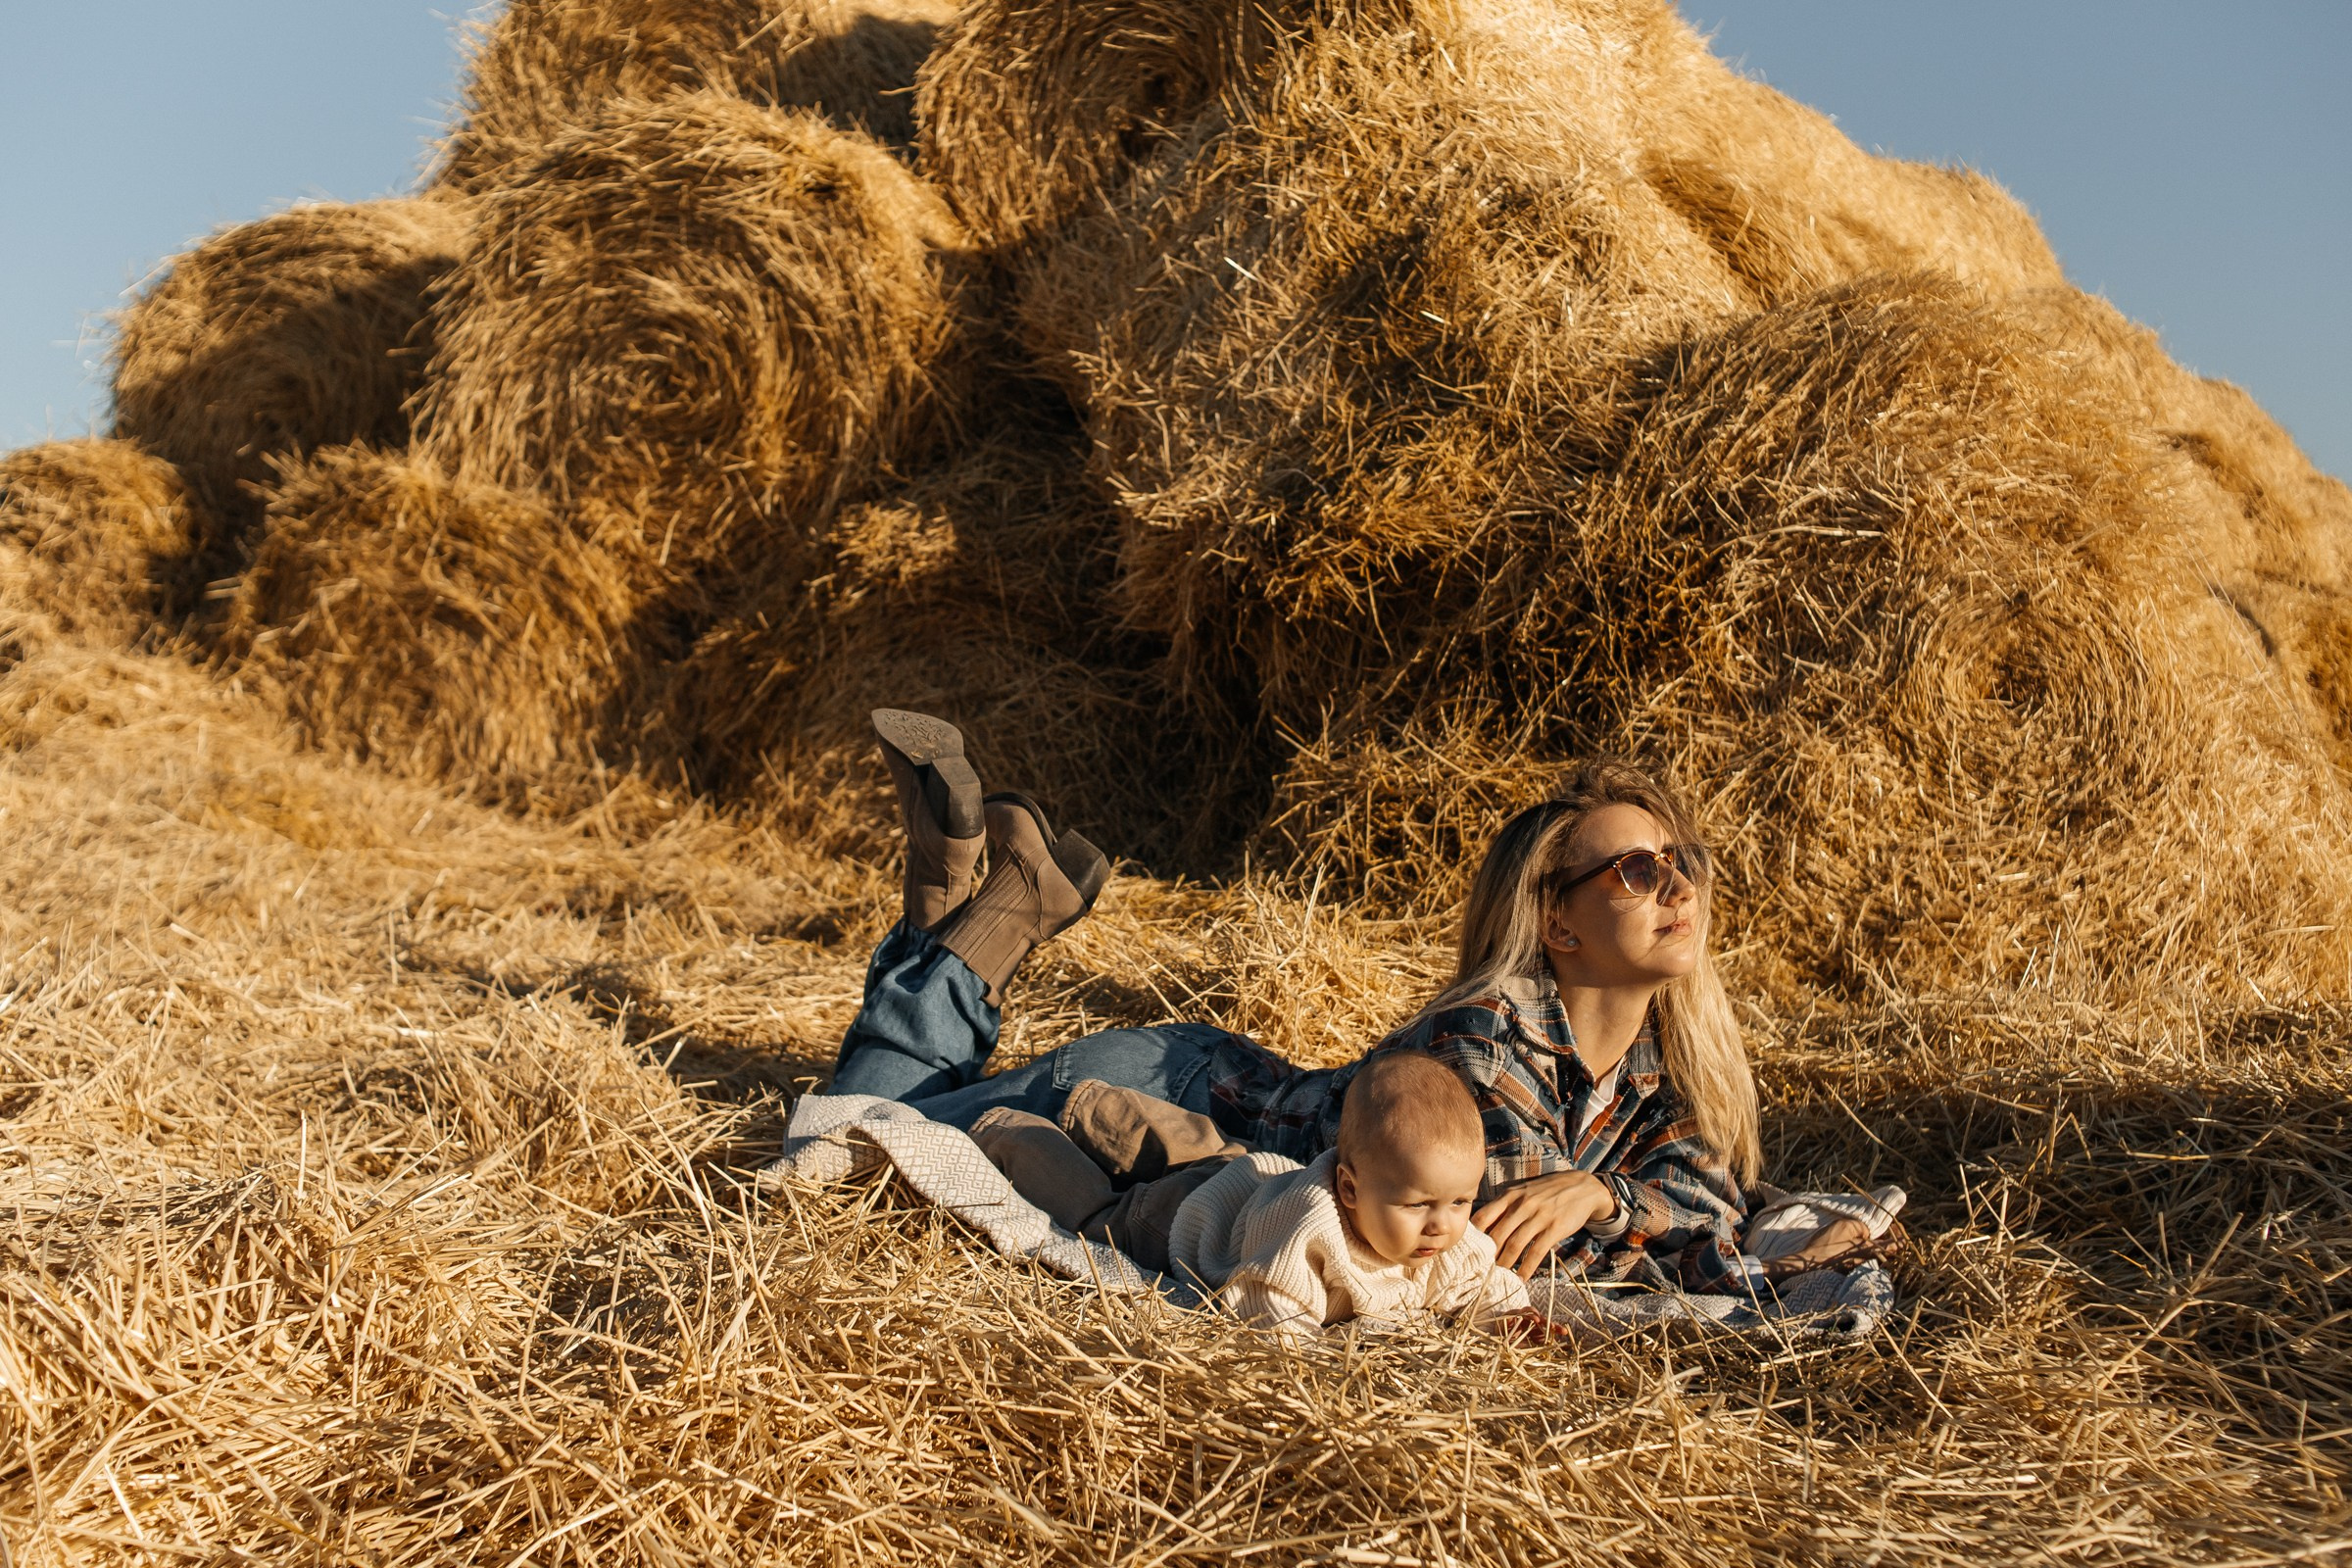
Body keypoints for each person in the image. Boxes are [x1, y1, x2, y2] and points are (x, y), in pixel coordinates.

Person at [838, 710, 1880, 1293]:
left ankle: (956, 902)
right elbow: (1518, 1251)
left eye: (1682, 860)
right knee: (848, 1140)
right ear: (1557, 924)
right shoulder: (1485, 1040)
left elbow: (1707, 1203)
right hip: (1158, 1098)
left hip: (1193, 1098)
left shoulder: (1659, 1076)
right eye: (1636, 870)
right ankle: (985, 917)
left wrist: (1606, 1195)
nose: (1678, 884)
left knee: (884, 1120)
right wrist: (1617, 1212)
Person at [970, 1054, 1532, 1339]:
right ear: (1349, 1188)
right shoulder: (1308, 1231)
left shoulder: (1445, 1236)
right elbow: (1273, 1321)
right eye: (1417, 1205)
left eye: (1460, 1202)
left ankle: (1095, 1105)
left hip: (1250, 1173)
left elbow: (1482, 1281)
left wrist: (1512, 1319)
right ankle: (1017, 1133)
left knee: (1197, 1146)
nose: (1442, 1225)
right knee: (1106, 1216)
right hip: (1190, 1217)